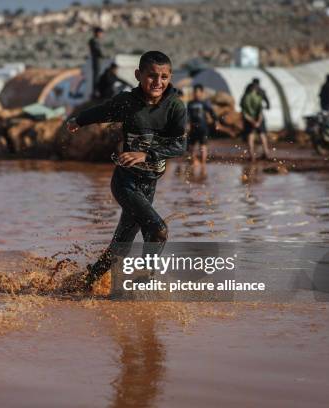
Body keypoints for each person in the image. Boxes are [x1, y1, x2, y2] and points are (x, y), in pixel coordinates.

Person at [67, 51, 187, 289]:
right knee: (159, 230)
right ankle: (144, 281)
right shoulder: (127, 102)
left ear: (170, 77)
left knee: (121, 245)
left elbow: (179, 145)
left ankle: (84, 284)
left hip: (149, 182)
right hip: (125, 182)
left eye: (163, 77)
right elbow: (103, 111)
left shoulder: (175, 106)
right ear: (138, 75)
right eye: (151, 76)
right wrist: (78, 120)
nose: (157, 82)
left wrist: (147, 154)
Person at [187, 84, 218, 166]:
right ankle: (193, 161)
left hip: (203, 128)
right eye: (195, 92)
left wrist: (216, 121)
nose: (196, 94)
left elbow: (212, 112)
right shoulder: (190, 104)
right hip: (193, 128)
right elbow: (187, 115)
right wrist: (187, 124)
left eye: (198, 92)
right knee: (192, 146)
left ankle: (203, 163)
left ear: (201, 92)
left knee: (203, 146)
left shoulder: (204, 103)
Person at [240, 81, 271, 161]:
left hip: (249, 120)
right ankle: (266, 153)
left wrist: (252, 121)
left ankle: (252, 155)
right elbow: (260, 111)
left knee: (250, 136)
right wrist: (258, 122)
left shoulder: (244, 97)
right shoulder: (258, 97)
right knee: (262, 134)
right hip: (259, 120)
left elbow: (244, 112)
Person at [88, 27, 105, 98]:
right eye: (101, 33)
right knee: (96, 77)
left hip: (98, 61)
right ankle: (95, 92)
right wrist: (103, 55)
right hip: (96, 61)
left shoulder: (95, 41)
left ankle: (97, 91)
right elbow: (98, 51)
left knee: (97, 76)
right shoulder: (94, 41)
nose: (102, 35)